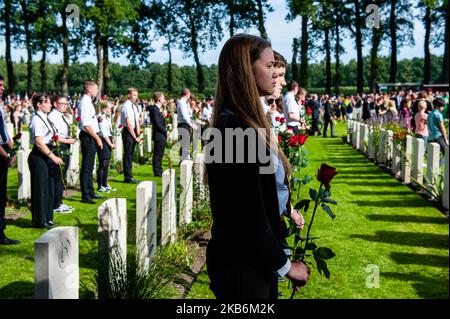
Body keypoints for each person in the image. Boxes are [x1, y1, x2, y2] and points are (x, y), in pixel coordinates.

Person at [205, 34, 310, 299]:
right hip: (242, 268)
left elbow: (264, 201)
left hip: (254, 263)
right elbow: (248, 216)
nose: (276, 74)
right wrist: (287, 267)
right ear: (244, 70)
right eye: (269, 65)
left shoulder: (244, 125)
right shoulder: (236, 130)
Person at [28, 94, 64, 228]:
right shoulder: (37, 119)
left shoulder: (46, 118)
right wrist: (53, 157)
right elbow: (39, 142)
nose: (50, 105)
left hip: (47, 154)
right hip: (39, 156)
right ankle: (39, 220)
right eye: (47, 102)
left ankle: (48, 217)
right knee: (40, 188)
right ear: (38, 104)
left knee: (49, 188)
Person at [48, 95, 77, 213]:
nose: (65, 106)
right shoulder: (53, 116)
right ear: (55, 104)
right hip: (59, 146)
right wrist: (67, 140)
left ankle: (59, 202)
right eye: (62, 103)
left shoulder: (62, 116)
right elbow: (54, 135)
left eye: (66, 104)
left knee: (62, 175)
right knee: (58, 175)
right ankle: (56, 204)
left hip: (66, 144)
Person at [0, 75, 20, 244]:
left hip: (3, 150)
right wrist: (5, 155)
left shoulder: (0, 106)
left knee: (2, 194)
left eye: (3, 85)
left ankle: (1, 231)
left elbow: (3, 130)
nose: (2, 88)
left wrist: (11, 146)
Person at [78, 80, 105, 203]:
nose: (97, 91)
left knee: (90, 166)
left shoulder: (90, 102)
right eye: (95, 89)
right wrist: (97, 138)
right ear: (89, 89)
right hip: (89, 136)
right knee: (87, 167)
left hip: (92, 135)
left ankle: (91, 191)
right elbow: (86, 125)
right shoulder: (84, 102)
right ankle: (86, 195)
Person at [121, 88, 141, 184]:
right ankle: (127, 177)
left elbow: (136, 121)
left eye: (136, 95)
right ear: (129, 95)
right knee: (128, 155)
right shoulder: (126, 106)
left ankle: (130, 175)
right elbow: (128, 123)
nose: (135, 97)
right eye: (134, 95)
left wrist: (138, 133)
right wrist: (134, 136)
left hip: (133, 132)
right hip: (128, 132)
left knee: (131, 154)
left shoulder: (134, 106)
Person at [97, 101, 116, 193]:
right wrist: (110, 143)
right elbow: (104, 133)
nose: (110, 110)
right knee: (103, 163)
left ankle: (105, 183)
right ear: (105, 108)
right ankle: (100, 185)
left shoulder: (107, 117)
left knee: (107, 163)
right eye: (109, 108)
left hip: (108, 139)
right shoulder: (101, 118)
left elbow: (109, 131)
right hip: (104, 141)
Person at [149, 92, 168, 177]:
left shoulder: (159, 109)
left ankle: (159, 168)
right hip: (158, 134)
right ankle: (157, 171)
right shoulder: (154, 109)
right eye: (163, 98)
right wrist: (165, 131)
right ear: (159, 99)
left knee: (160, 153)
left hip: (161, 135)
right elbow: (157, 123)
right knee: (157, 154)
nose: (164, 99)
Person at [428, 98, 449, 166]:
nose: (442, 108)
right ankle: (437, 167)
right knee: (447, 154)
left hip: (430, 137)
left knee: (434, 156)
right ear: (437, 106)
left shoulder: (430, 114)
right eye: (442, 106)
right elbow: (442, 128)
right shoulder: (438, 114)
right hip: (438, 136)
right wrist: (446, 139)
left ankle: (434, 168)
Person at [177, 88, 196, 161]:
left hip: (185, 124)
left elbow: (189, 114)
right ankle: (184, 160)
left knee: (186, 144)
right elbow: (185, 116)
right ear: (187, 94)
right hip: (184, 125)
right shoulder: (182, 102)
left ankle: (184, 159)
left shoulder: (185, 102)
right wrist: (191, 125)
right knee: (185, 144)